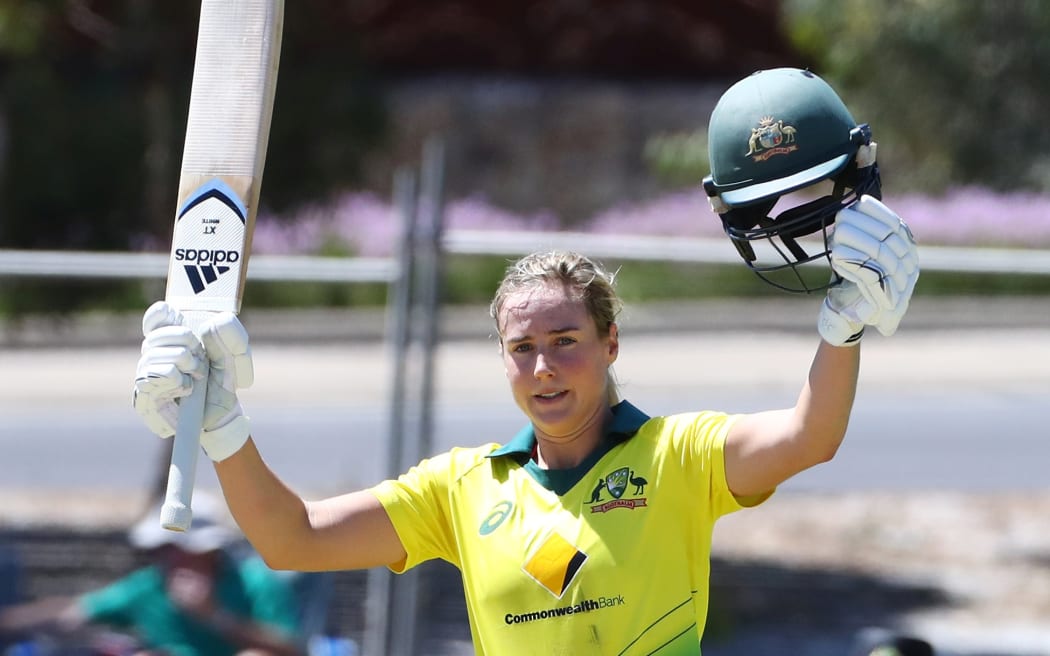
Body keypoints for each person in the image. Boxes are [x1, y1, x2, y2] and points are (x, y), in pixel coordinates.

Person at [130, 67, 919, 654]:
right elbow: (292, 539)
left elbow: (810, 436)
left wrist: (842, 329)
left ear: (611, 345)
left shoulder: (680, 457)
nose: (544, 368)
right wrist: (224, 424)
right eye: (523, 350)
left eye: (566, 343)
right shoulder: (462, 489)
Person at [0, 493, 305, 656]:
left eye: (174, 547)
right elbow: (75, 611)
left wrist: (215, 615)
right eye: (163, 549)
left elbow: (291, 648)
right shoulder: (150, 586)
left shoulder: (254, 580)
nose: (167, 557)